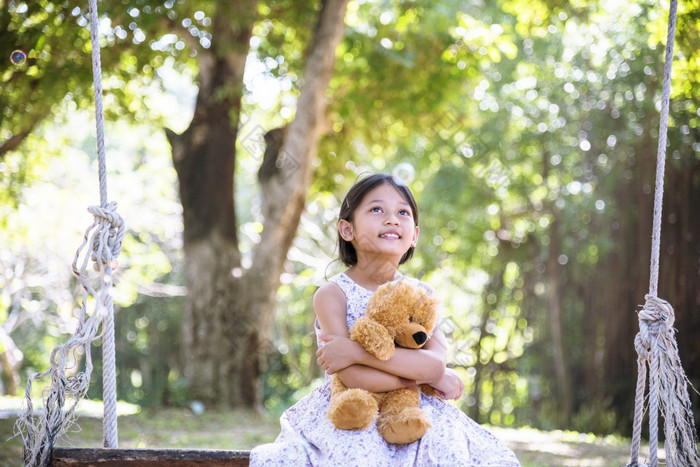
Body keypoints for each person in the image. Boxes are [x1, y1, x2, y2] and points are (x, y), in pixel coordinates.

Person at [250, 173, 520, 466]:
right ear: (347, 229)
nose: (392, 219)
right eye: (377, 209)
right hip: (355, 406)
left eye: (402, 212)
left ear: (414, 235)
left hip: (413, 409)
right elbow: (354, 378)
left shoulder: (423, 295)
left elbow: (435, 364)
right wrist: (425, 377)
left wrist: (355, 351)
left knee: (444, 446)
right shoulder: (333, 295)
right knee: (356, 453)